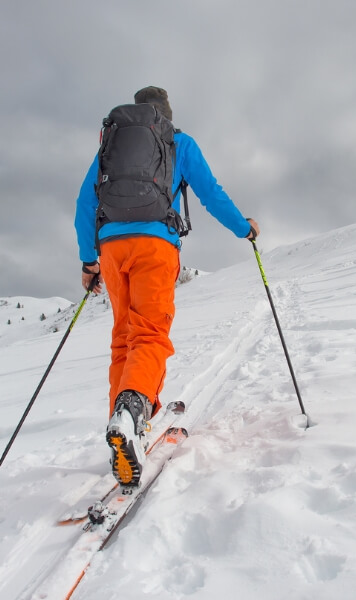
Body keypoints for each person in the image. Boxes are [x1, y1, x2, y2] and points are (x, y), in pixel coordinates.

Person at [74, 86, 259, 486]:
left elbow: (84, 204)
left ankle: (123, 430)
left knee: (123, 338)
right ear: (166, 114)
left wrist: (88, 261)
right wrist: (245, 229)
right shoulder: (178, 141)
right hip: (155, 246)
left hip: (110, 248)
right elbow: (211, 193)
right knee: (150, 334)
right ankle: (132, 411)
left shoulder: (112, 144)